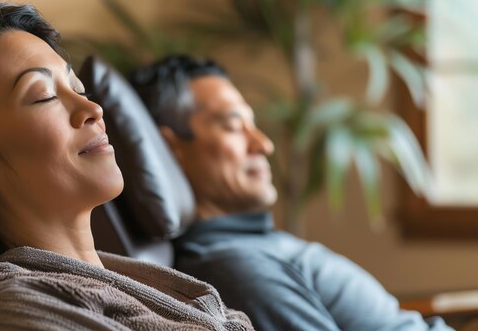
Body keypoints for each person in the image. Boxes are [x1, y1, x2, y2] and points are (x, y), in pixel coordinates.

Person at [0, 0, 254, 331]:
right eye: (44, 96)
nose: (92, 110)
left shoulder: (146, 281)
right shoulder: (14, 310)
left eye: (77, 88)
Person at [129, 55, 452, 331]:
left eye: (252, 123)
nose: (263, 144)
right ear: (169, 148)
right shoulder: (238, 269)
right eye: (232, 124)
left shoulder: (252, 245)